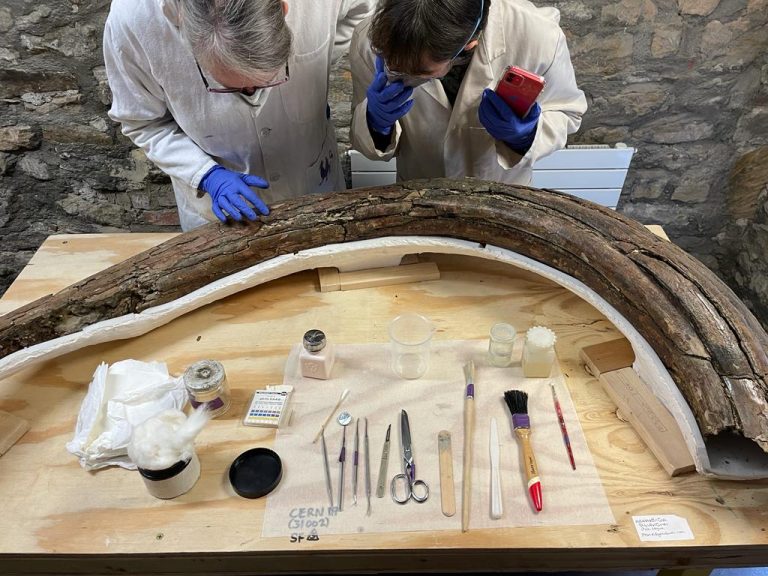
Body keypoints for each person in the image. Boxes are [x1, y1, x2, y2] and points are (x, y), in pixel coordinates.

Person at [104, 0, 374, 230]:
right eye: (228, 86)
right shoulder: (132, 22)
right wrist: (205, 174)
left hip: (314, 185)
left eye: (266, 80)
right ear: (184, 29)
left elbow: (363, 12)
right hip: (216, 212)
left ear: (282, 9)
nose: (251, 94)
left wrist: (318, 62)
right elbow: (143, 123)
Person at [349, 0, 587, 186]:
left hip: (504, 197)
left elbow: (568, 111)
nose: (406, 75)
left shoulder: (538, 35)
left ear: (468, 46)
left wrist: (525, 136)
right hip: (419, 196)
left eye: (420, 71)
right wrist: (375, 122)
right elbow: (368, 144)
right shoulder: (368, 40)